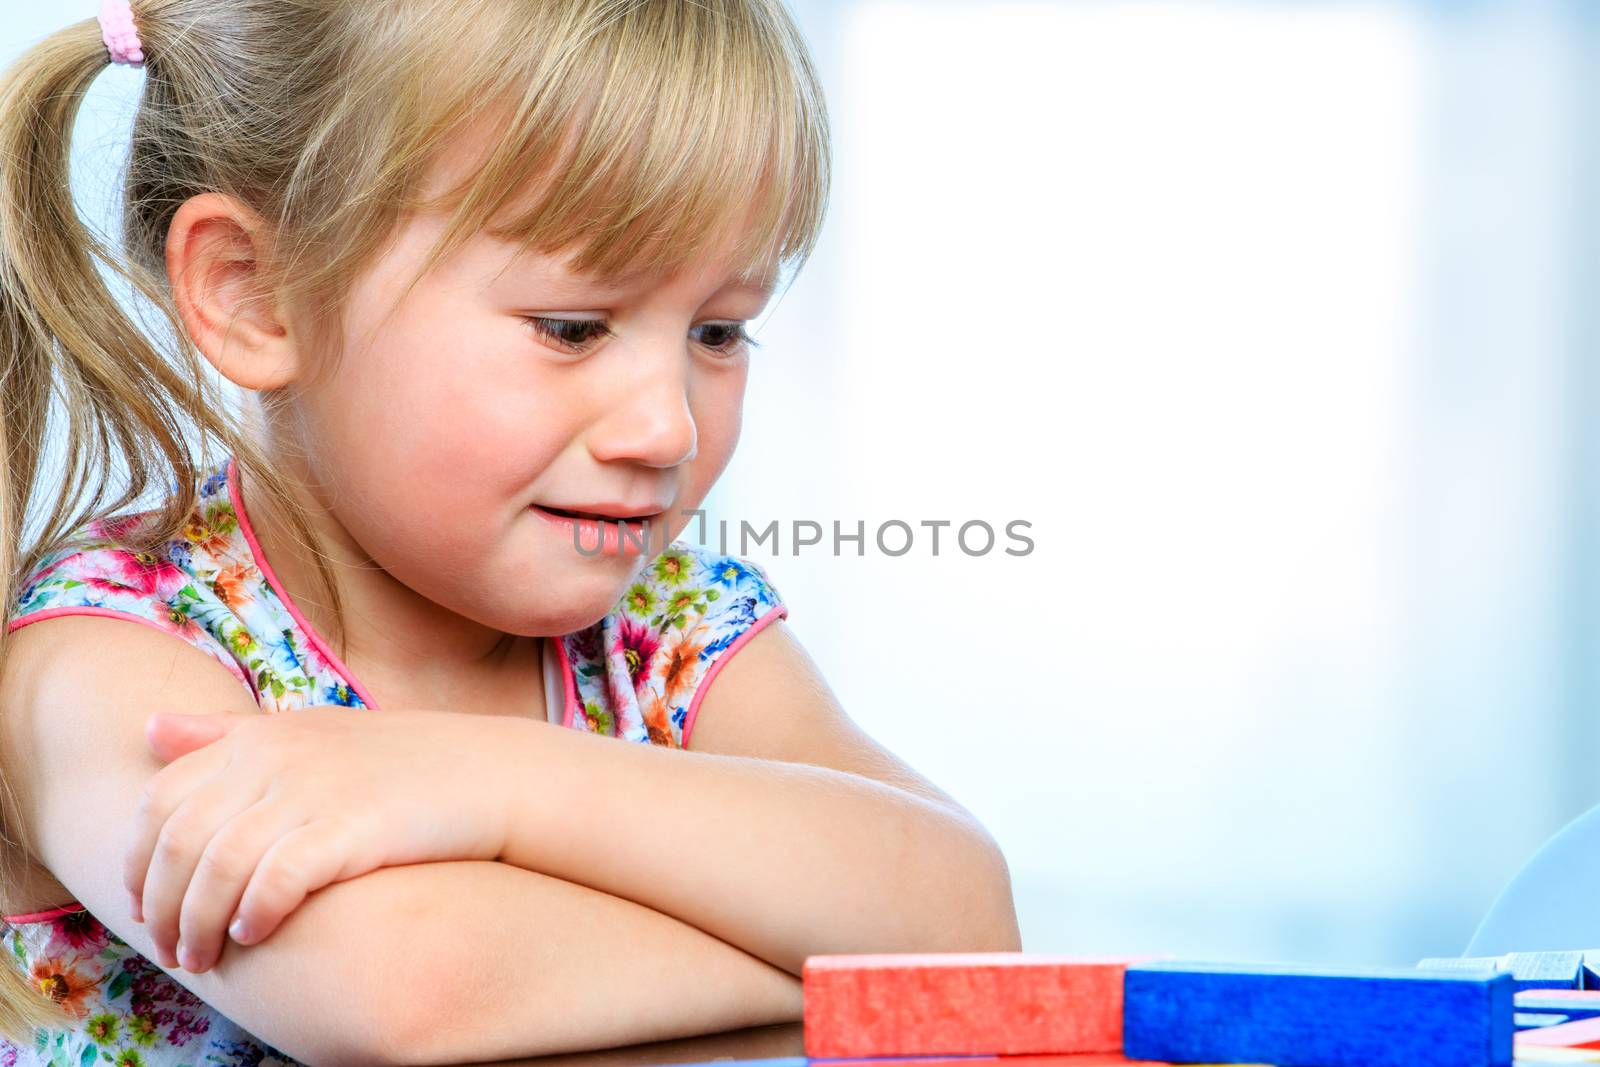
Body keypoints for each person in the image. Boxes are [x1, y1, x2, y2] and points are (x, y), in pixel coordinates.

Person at [0, 0, 1022, 1064]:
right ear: (259, 293)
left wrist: (486, 781)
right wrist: (824, 971)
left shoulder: (668, 630)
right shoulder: (115, 651)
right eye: (572, 327)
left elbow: (965, 914)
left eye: (718, 331)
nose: (666, 425)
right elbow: (413, 991)